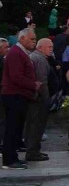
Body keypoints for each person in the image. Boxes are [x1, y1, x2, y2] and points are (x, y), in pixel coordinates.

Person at [2, 29, 41, 169]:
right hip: (14, 95)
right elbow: (16, 76)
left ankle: (13, 157)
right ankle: (9, 160)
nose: (34, 42)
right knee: (12, 128)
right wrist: (33, 85)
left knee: (17, 128)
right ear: (22, 38)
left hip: (20, 95)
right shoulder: (16, 53)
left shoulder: (21, 52)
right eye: (32, 39)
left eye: (35, 39)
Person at [23, 38, 53, 162]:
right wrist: (46, 98)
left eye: (52, 47)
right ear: (40, 47)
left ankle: (33, 149)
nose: (51, 49)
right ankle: (33, 151)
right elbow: (41, 81)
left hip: (35, 97)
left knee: (33, 124)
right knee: (36, 124)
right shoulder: (39, 59)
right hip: (39, 98)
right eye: (49, 47)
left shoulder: (35, 57)